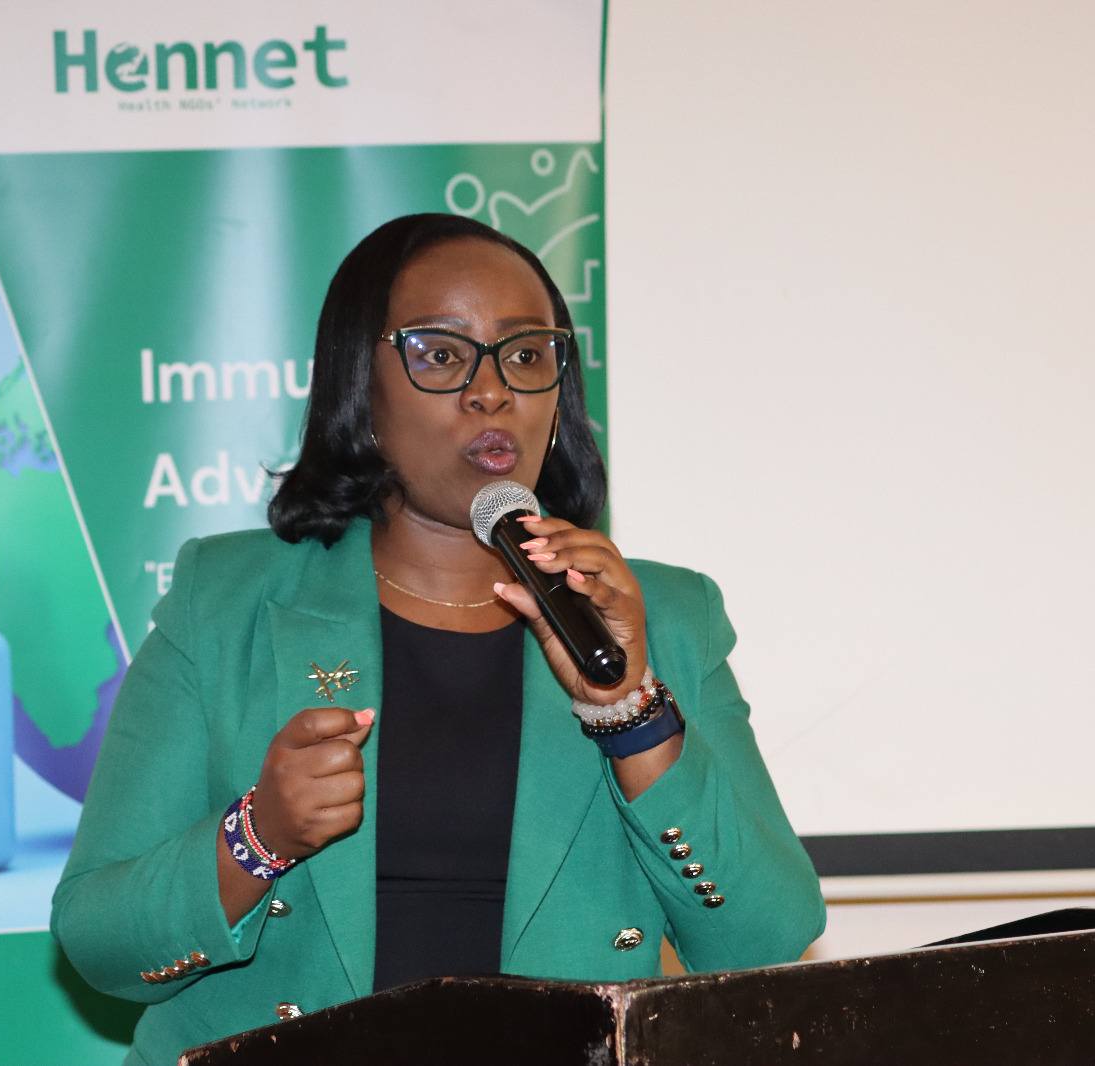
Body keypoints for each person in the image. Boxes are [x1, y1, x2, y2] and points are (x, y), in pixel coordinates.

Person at [51, 213, 825, 1065]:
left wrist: (631, 712)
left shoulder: (662, 616)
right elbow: (99, 939)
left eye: (525, 355)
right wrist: (258, 835)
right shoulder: (227, 600)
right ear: (362, 391)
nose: (491, 392)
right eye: (441, 354)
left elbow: (764, 940)